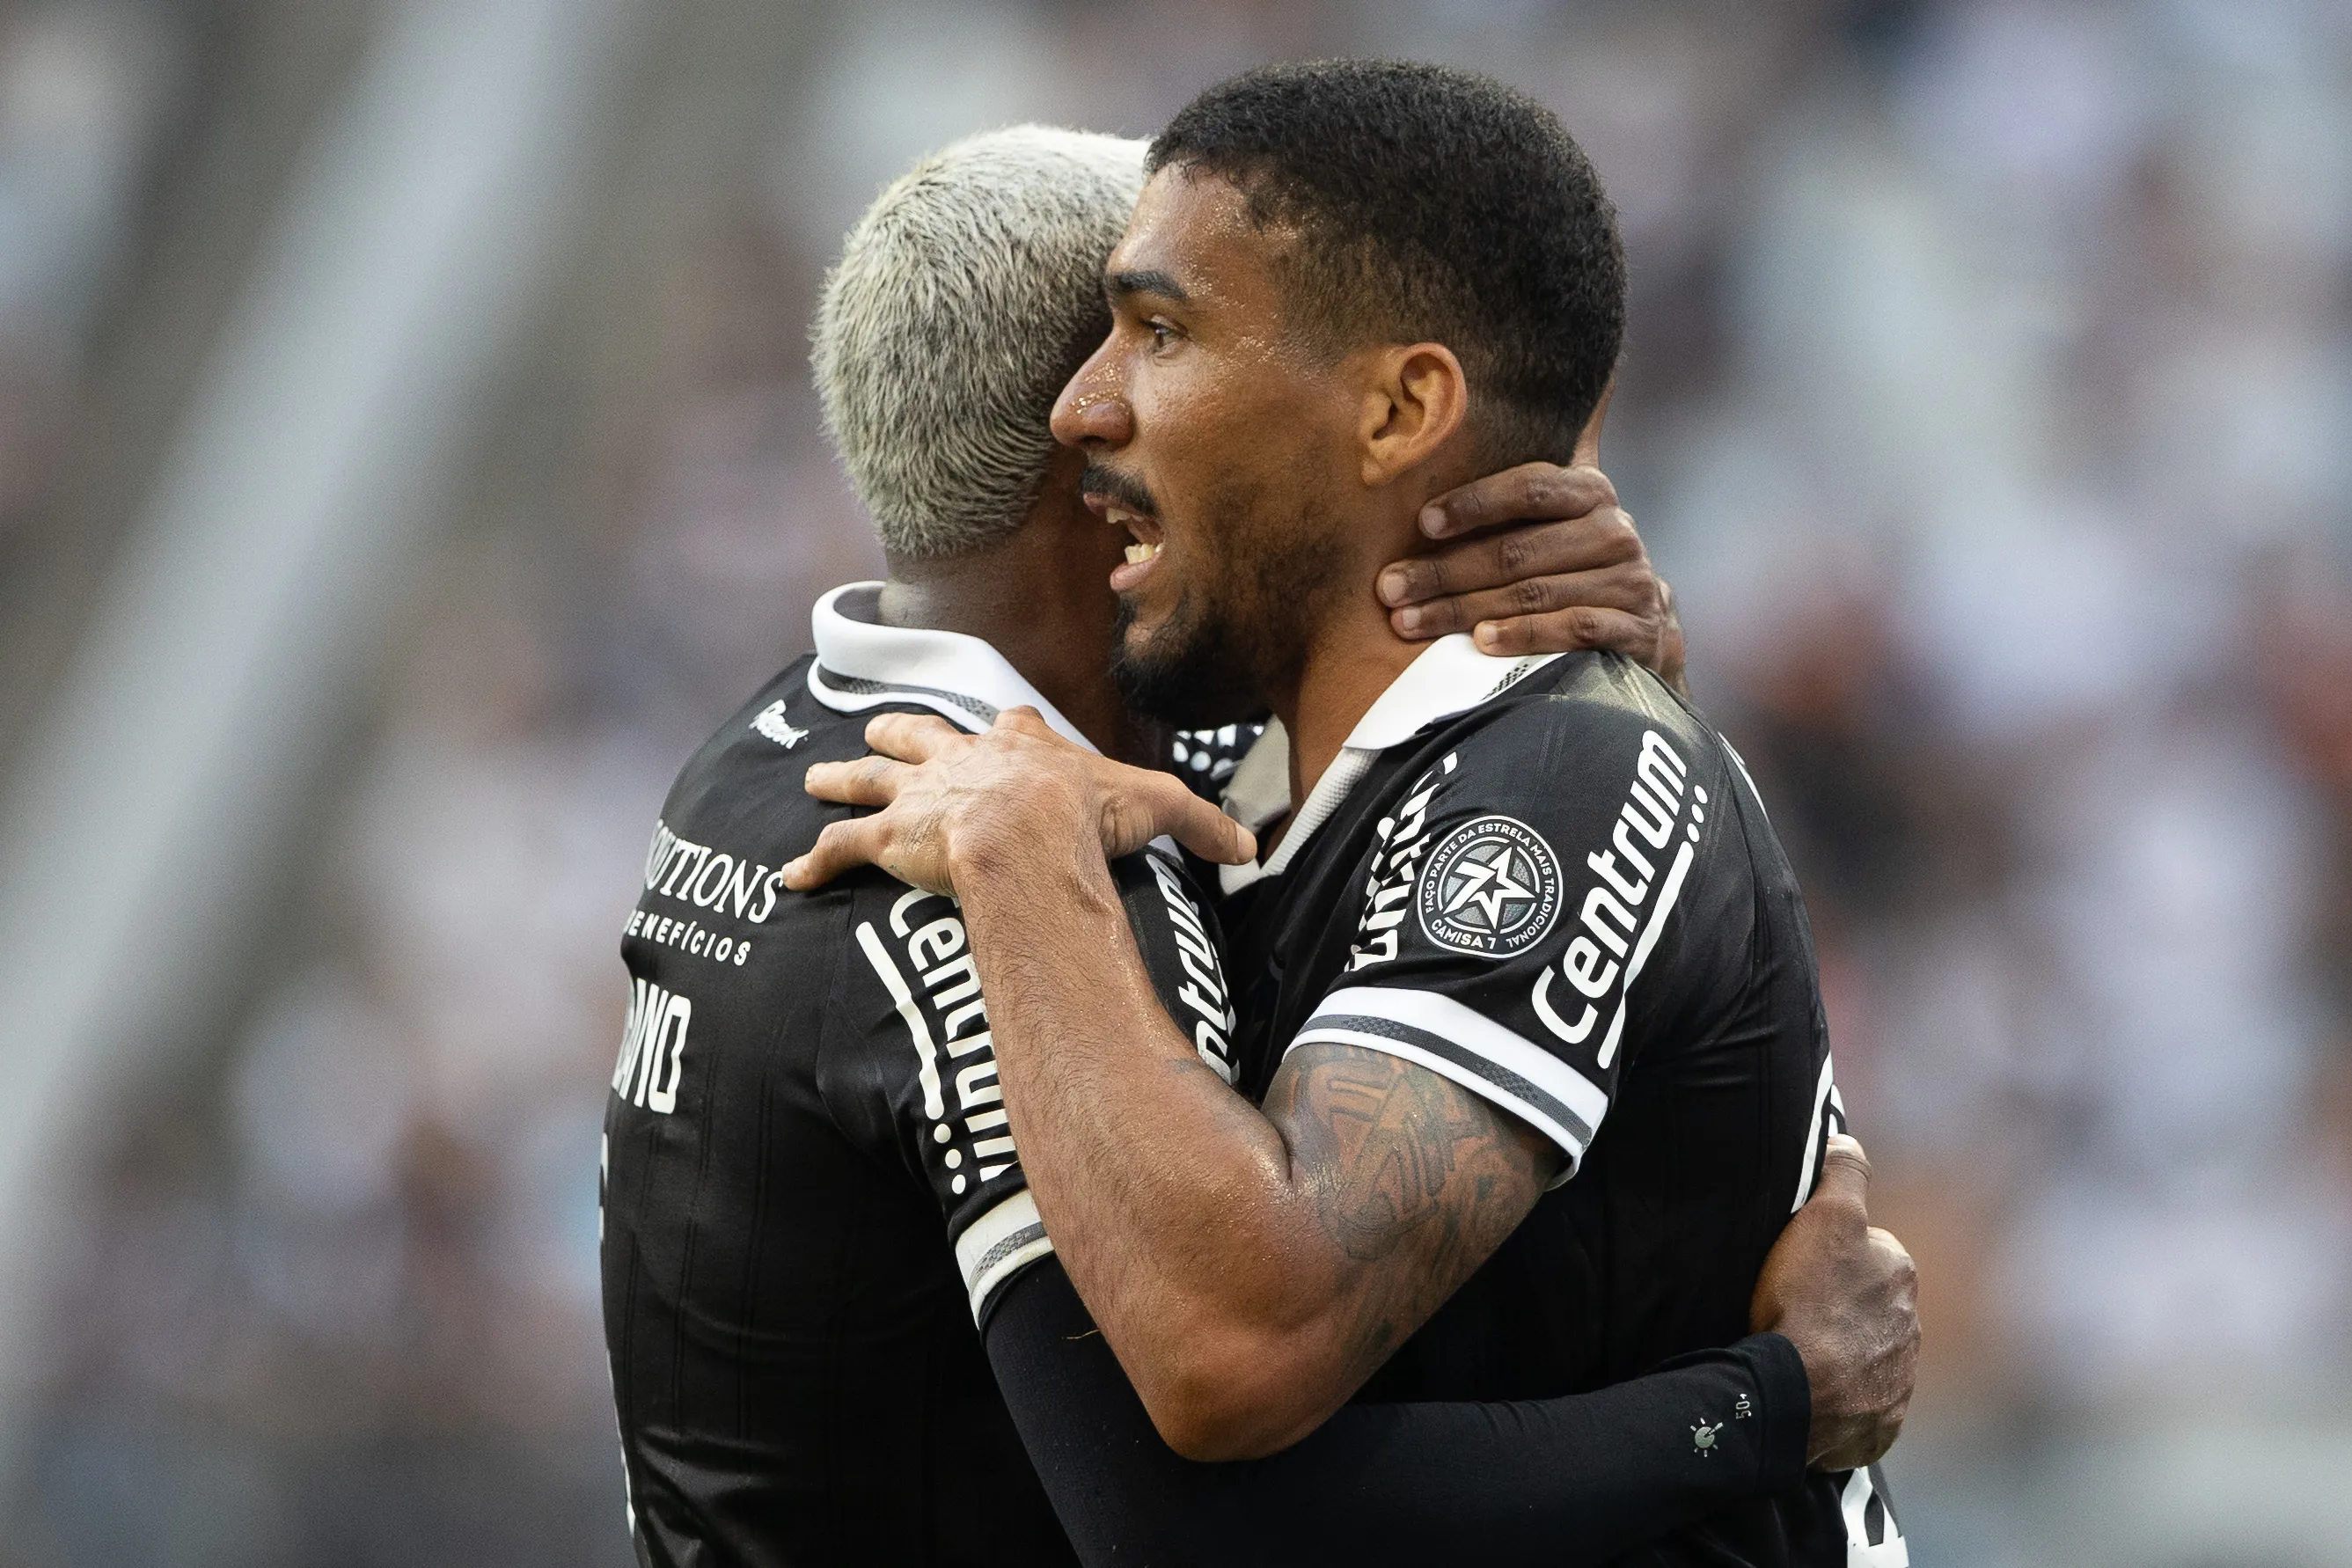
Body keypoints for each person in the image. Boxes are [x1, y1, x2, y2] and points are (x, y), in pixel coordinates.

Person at [604, 125, 1916, 1568]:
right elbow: (1196, 1510)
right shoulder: (1002, 869)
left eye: (1161, 334)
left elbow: (1530, 849)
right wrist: (1773, 1402)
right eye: (1131, 337)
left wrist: (1594, 701)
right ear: (1091, 471)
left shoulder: (768, 751)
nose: (1116, 392)